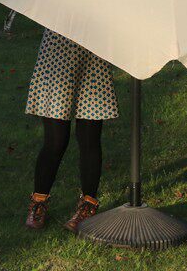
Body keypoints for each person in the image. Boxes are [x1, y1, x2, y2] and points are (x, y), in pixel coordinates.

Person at [24, 28, 119, 232]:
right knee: (55, 141)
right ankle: (38, 202)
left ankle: (88, 206)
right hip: (58, 50)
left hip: (94, 51)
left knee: (89, 139)